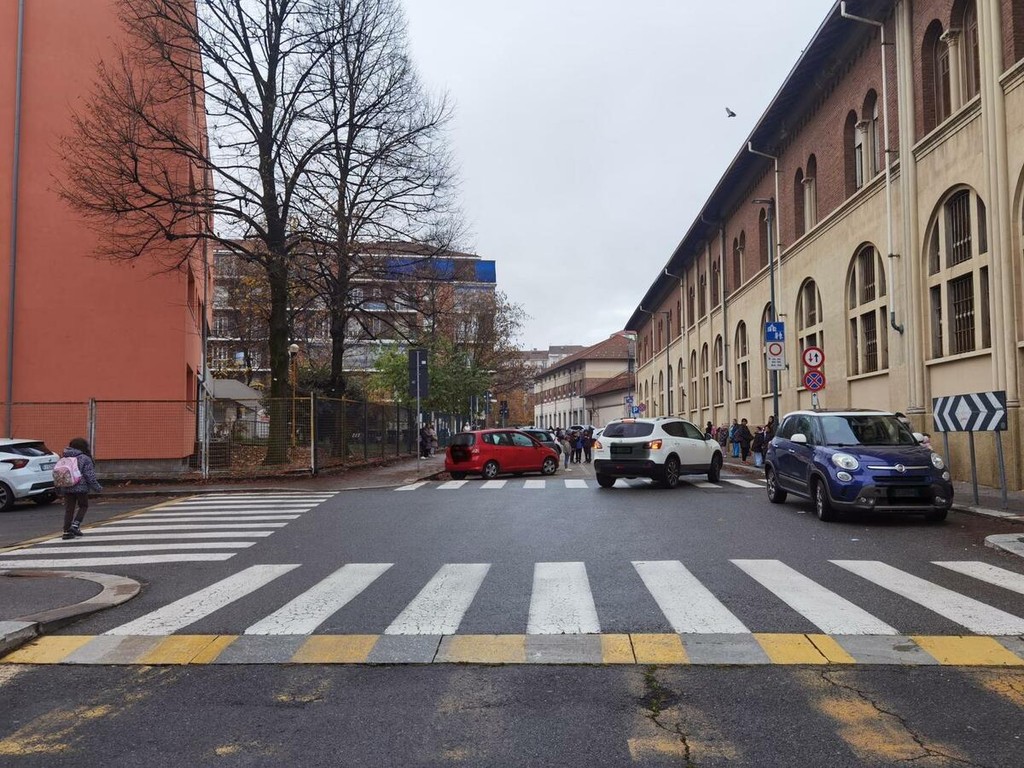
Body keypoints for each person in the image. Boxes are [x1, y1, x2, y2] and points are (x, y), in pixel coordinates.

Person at [59, 437, 102, 540]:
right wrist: (97, 487)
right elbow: (89, 475)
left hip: (67, 485)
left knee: (69, 509)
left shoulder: (64, 457)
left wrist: (58, 488)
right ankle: (75, 525)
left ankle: (66, 531)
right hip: (80, 486)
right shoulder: (85, 458)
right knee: (83, 505)